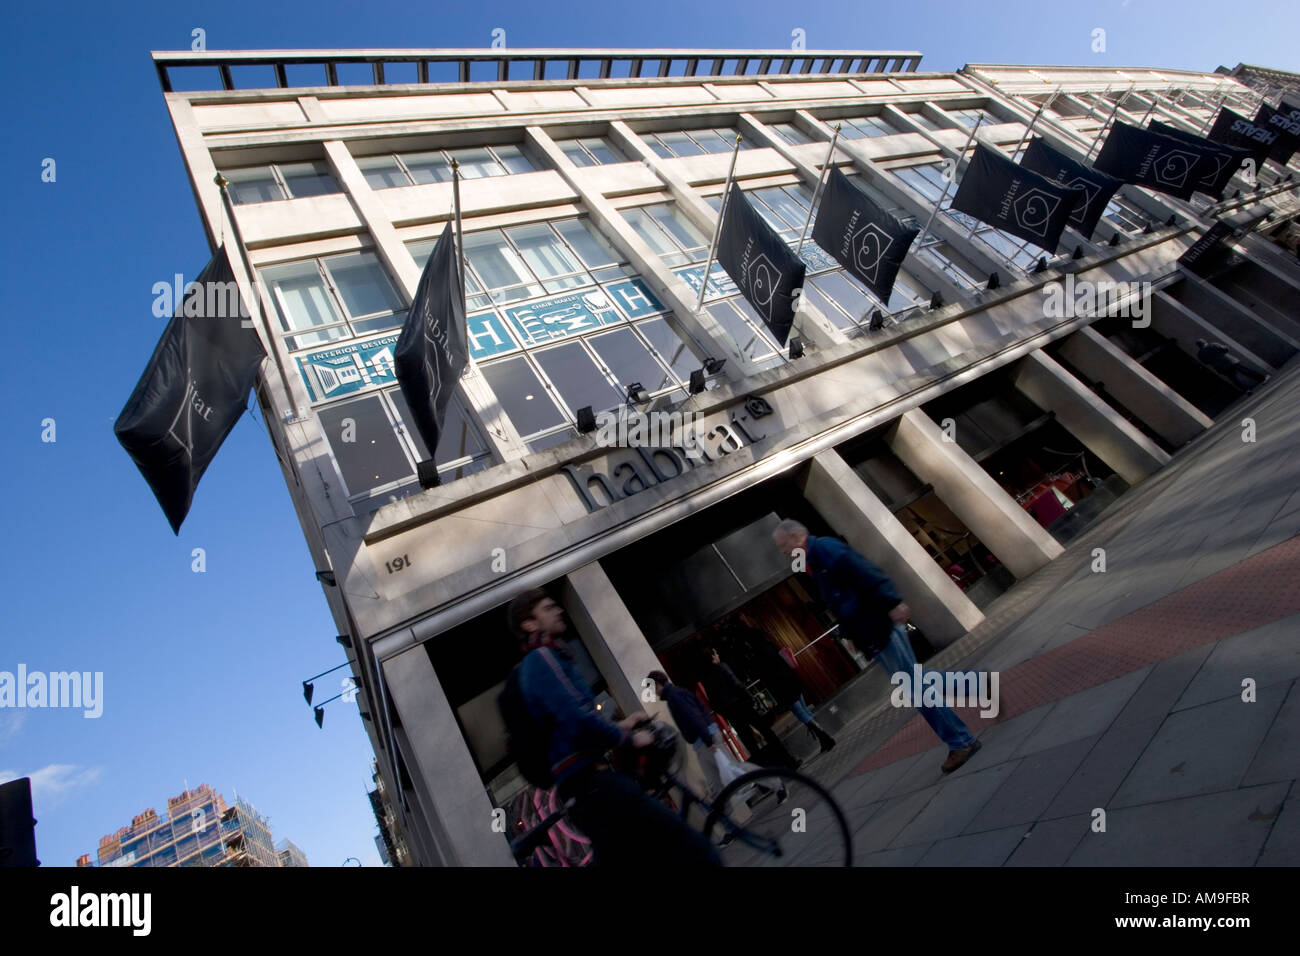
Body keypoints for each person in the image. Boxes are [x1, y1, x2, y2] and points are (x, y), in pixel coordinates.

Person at [507, 588, 721, 866]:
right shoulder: (543, 659)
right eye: (548, 608)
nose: (558, 610)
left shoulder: (548, 660)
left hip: (586, 788)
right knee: (694, 849)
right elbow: (577, 721)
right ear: (529, 624)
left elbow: (570, 722)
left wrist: (623, 723)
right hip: (592, 783)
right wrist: (630, 739)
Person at [772, 520, 982, 774]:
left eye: (783, 545)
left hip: (879, 623)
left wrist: (892, 602)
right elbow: (841, 600)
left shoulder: (824, 550)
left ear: (796, 538)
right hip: (872, 629)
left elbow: (864, 572)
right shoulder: (815, 561)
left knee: (916, 687)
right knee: (916, 684)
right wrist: (850, 633)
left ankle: (961, 740)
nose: (783, 551)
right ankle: (969, 699)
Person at [733, 617, 837, 755]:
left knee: (800, 713)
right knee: (804, 710)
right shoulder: (768, 645)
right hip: (791, 680)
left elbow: (765, 675)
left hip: (783, 688)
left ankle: (824, 736)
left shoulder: (756, 656)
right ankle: (823, 737)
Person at [699, 643, 800, 770]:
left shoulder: (706, 679)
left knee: (751, 745)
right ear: (712, 657)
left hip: (732, 714)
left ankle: (765, 775)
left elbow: (713, 703)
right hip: (743, 706)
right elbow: (737, 685)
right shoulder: (722, 667)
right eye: (715, 653)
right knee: (767, 733)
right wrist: (749, 699)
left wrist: (726, 713)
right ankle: (789, 761)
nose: (718, 655)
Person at [647, 670, 724, 798]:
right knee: (714, 781)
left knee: (723, 774)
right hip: (703, 741)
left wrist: (708, 741)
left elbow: (693, 716)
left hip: (705, 741)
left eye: (653, 688)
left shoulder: (674, 696)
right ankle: (724, 813)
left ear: (657, 684)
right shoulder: (675, 694)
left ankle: (767, 778)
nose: (654, 693)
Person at [1195, 338, 1268, 391]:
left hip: (1220, 367)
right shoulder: (1213, 345)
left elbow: (1206, 363)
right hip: (1229, 361)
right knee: (1245, 371)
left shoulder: (1200, 354)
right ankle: (1262, 379)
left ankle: (1247, 390)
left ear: (1199, 346)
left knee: (1234, 378)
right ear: (1205, 342)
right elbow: (1225, 349)